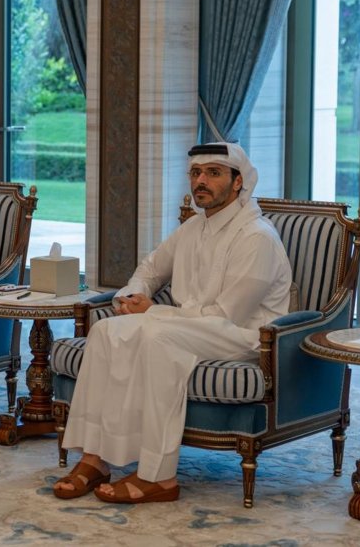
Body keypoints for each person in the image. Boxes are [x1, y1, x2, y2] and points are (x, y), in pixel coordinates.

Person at [52, 142, 291, 503]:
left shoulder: (257, 237)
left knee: (158, 339)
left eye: (213, 173)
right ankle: (94, 458)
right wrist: (132, 296)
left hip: (244, 336)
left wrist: (153, 312)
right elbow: (151, 268)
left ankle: (158, 476)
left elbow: (226, 316)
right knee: (104, 331)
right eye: (196, 173)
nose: (201, 181)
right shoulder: (194, 227)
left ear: (238, 182)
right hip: (189, 326)